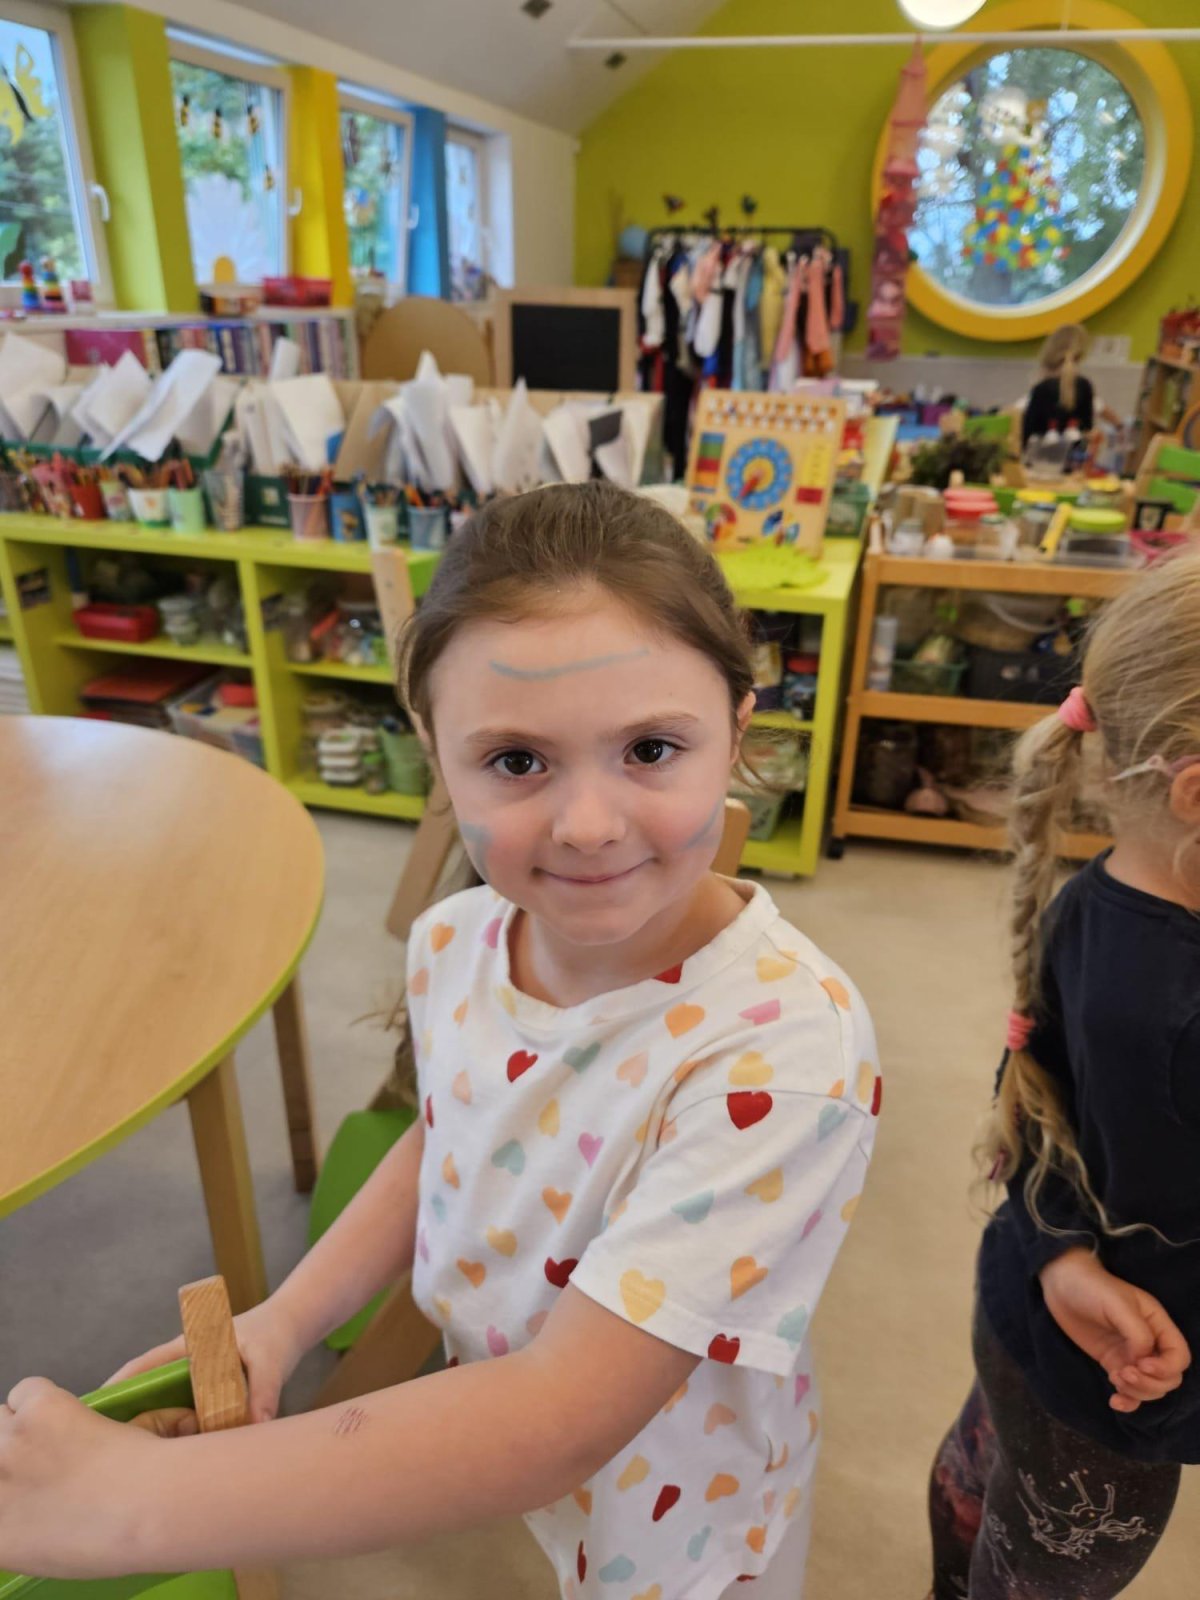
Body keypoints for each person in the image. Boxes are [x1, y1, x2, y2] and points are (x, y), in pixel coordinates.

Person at [0, 482, 880, 1600]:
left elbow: (555, 1422)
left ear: (740, 729)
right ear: (433, 749)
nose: (588, 825)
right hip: (503, 1426)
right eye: (516, 761)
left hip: (681, 1502)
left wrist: (130, 1504)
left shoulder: (789, 1059)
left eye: (652, 748)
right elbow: (450, 1135)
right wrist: (286, 1319)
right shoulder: (458, 938)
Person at [927, 550, 1200, 1599]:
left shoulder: (1099, 894)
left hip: (1032, 1298)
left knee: (984, 1476)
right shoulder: (1177, 1006)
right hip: (1122, 1374)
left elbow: (1035, 1091)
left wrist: (1057, 1255)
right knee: (1044, 1564)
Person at [1020, 323, 1121, 447]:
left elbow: (1026, 432)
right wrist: (1119, 426)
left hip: (1039, 455)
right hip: (1076, 456)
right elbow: (1092, 422)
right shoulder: (1083, 387)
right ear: (1081, 355)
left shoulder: (1040, 388)